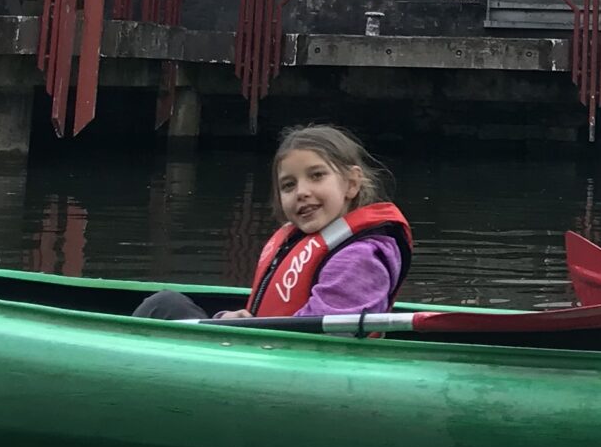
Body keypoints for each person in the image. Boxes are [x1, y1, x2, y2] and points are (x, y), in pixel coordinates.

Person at [133, 123, 412, 322]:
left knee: (163, 306)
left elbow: (327, 331)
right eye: (289, 185)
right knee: (166, 303)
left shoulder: (358, 258)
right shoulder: (309, 243)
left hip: (298, 366)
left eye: (316, 176)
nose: (302, 191)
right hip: (269, 350)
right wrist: (231, 319)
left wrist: (247, 330)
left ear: (351, 184)